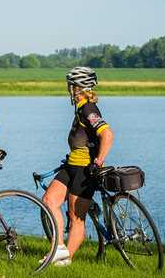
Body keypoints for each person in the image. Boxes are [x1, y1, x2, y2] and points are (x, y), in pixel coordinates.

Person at [42, 67, 114, 266]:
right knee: (49, 200)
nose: (69, 89)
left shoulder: (89, 109)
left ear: (77, 88)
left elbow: (107, 135)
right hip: (71, 165)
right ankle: (58, 248)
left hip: (85, 169)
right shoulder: (81, 107)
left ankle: (66, 259)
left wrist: (98, 162)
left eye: (71, 85)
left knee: (76, 216)